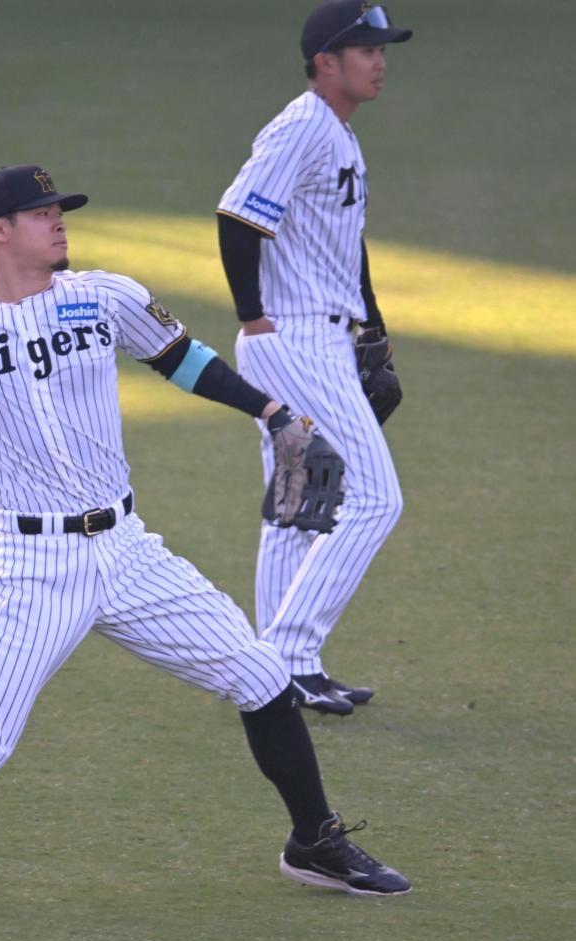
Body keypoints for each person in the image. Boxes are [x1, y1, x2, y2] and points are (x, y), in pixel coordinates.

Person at [0, 164, 410, 903]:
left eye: (60, 210)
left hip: (128, 550)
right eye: (41, 213)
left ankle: (314, 841)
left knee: (264, 679)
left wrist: (270, 412)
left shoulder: (105, 297)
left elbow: (183, 359)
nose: (59, 220)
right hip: (32, 563)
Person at [215, 1, 412, 715]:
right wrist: (254, 318)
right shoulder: (300, 126)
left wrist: (372, 327)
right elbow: (236, 216)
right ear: (325, 60)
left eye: (382, 49)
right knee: (373, 498)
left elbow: (342, 245)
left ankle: (277, 671)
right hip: (290, 336)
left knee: (301, 501)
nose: (379, 60)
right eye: (365, 49)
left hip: (321, 332)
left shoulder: (338, 134)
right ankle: (288, 654)